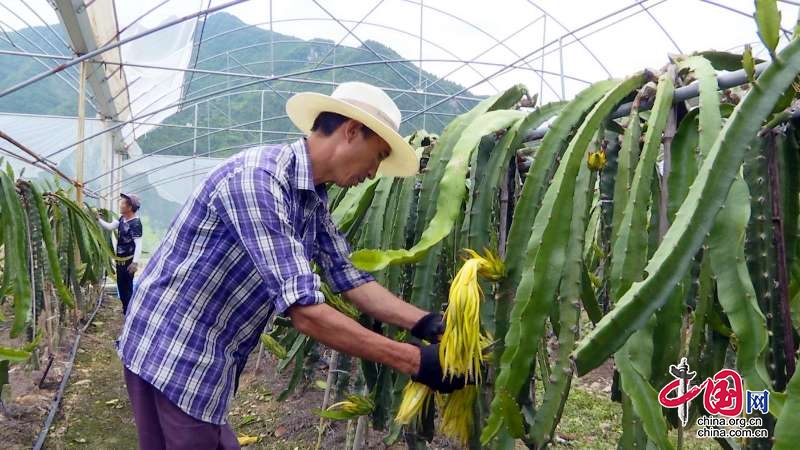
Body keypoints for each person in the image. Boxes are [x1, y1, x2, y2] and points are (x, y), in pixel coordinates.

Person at [116, 82, 463, 450]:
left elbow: (348, 277)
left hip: (212, 349)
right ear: (351, 131)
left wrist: (427, 322)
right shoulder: (258, 181)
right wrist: (416, 361)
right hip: (175, 346)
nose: (374, 172)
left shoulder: (312, 197)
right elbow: (305, 312)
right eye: (377, 155)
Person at [97, 193, 143, 315]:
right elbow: (110, 227)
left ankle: (129, 311)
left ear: (129, 207)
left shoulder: (136, 224)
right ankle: (126, 310)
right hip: (120, 260)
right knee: (121, 286)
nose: (120, 205)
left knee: (127, 287)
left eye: (123, 203)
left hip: (129, 262)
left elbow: (138, 244)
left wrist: (135, 263)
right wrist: (98, 220)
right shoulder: (122, 219)